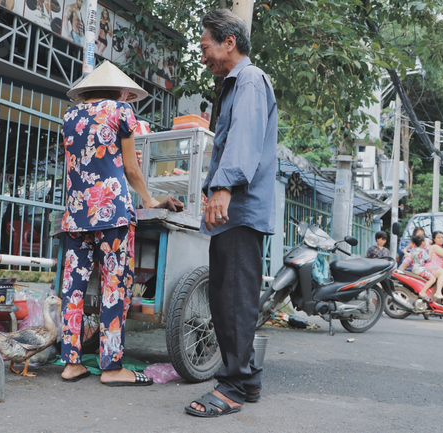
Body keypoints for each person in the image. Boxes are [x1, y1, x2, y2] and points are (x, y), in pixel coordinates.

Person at [185, 9, 277, 418]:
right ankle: (248, 378)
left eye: (206, 47)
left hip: (240, 207)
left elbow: (243, 141)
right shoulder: (232, 86)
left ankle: (233, 387)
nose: (203, 56)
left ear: (229, 42)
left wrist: (222, 187)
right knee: (225, 299)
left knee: (236, 300)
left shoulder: (251, 81)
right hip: (230, 212)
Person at [59, 61, 159, 386]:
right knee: (113, 286)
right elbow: (130, 168)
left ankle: (71, 363)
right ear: (120, 90)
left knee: (73, 287)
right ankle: (112, 367)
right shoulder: (122, 110)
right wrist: (149, 198)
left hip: (76, 213)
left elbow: (87, 158)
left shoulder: (70, 116)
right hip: (111, 211)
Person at [410, 234, 437, 301]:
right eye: (425, 241)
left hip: (414, 269)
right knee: (433, 279)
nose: (426, 242)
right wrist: (430, 250)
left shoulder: (414, 250)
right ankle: (422, 292)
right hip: (420, 270)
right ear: (422, 242)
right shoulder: (422, 251)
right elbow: (429, 258)